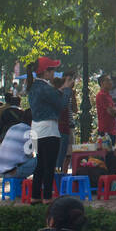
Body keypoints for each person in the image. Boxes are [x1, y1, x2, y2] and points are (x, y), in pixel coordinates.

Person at [27, 60, 74, 205]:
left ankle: (35, 196)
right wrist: (67, 89)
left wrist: (61, 90)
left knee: (40, 165)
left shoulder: (35, 86)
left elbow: (51, 98)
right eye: (52, 70)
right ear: (46, 71)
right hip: (49, 130)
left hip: (36, 129)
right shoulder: (44, 87)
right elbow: (61, 105)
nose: (54, 73)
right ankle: (47, 197)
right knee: (49, 165)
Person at [0, 112, 37, 184]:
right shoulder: (31, 131)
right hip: (13, 171)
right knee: (43, 160)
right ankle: (41, 186)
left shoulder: (13, 127)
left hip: (0, 170)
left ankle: (22, 187)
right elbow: (30, 154)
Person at [95, 75, 116, 143]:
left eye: (110, 80)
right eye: (108, 80)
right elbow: (111, 112)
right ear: (102, 83)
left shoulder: (108, 95)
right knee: (107, 152)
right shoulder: (102, 95)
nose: (111, 82)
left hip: (111, 130)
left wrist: (115, 111)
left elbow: (114, 111)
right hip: (105, 131)